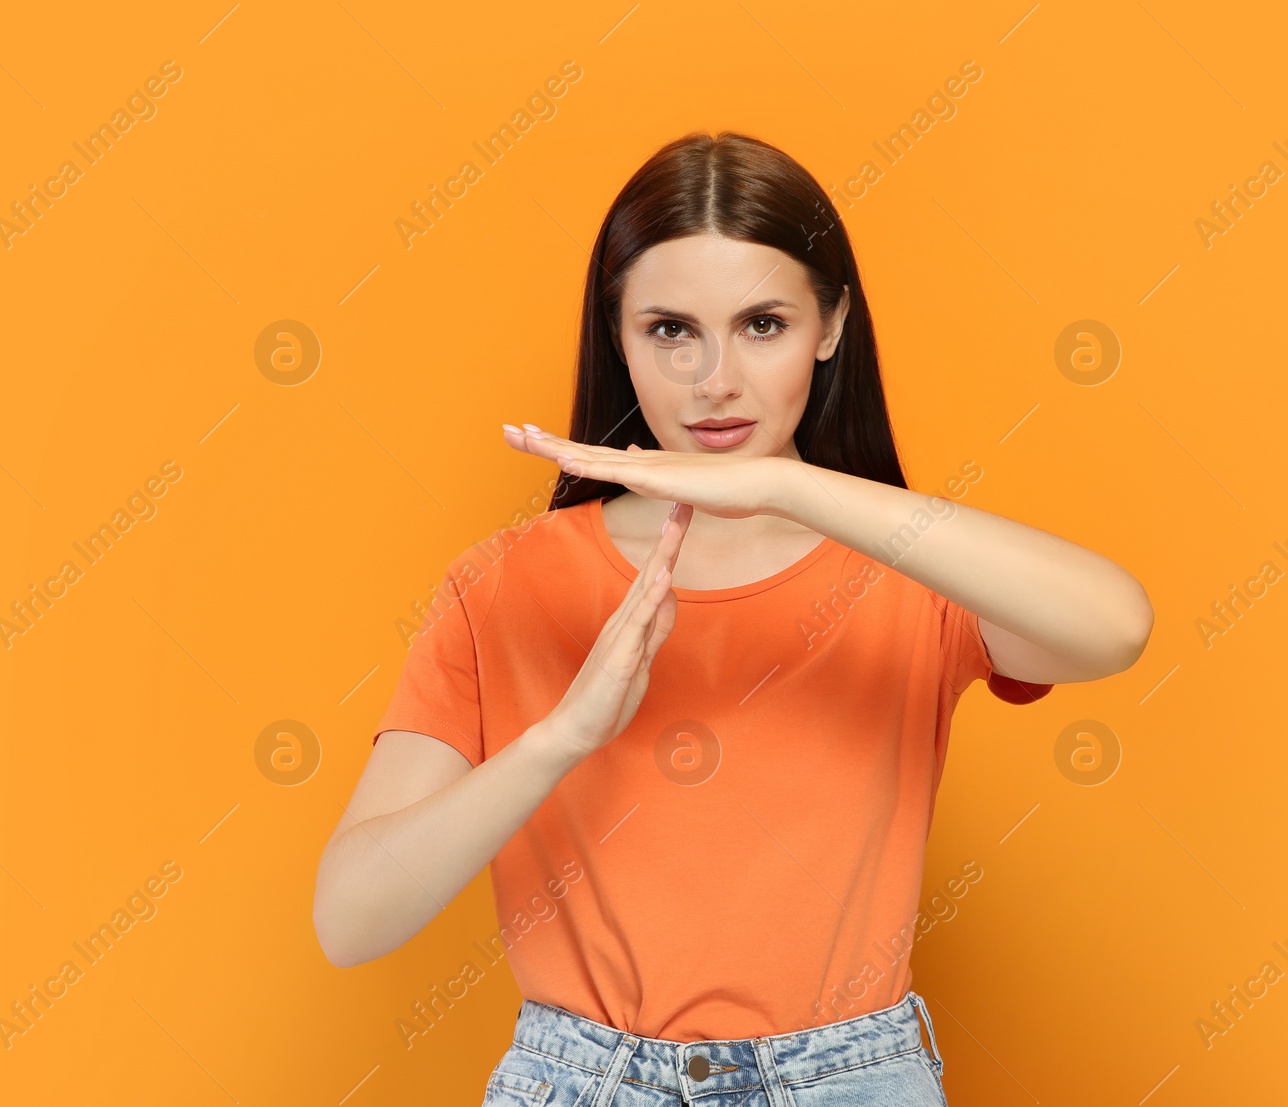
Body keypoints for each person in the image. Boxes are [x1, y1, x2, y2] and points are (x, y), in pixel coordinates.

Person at [313, 131, 1154, 1106]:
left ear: (830, 324)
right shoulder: (503, 584)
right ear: (617, 338)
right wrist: (559, 740)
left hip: (850, 1082)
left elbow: (1114, 625)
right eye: (669, 330)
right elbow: (352, 919)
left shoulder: (912, 574)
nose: (715, 379)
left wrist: (784, 487)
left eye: (762, 325)